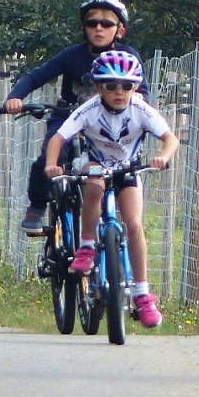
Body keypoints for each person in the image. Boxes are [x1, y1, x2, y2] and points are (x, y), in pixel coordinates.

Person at [44, 51, 179, 328]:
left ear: (135, 87)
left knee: (133, 223)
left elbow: (169, 139)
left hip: (127, 168)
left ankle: (142, 294)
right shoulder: (89, 110)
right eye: (111, 86)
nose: (119, 92)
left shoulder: (140, 109)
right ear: (98, 87)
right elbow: (58, 138)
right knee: (93, 184)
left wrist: (163, 156)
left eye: (127, 86)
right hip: (95, 164)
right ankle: (86, 247)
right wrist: (51, 165)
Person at [3, 0, 150, 234]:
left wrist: (140, 97)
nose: (99, 29)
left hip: (109, 121)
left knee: (121, 165)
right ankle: (38, 205)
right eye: (92, 24)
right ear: (84, 29)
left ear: (119, 31)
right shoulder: (72, 55)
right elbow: (37, 75)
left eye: (106, 24)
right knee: (50, 153)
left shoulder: (128, 56)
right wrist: (15, 98)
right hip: (70, 116)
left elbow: (141, 87)